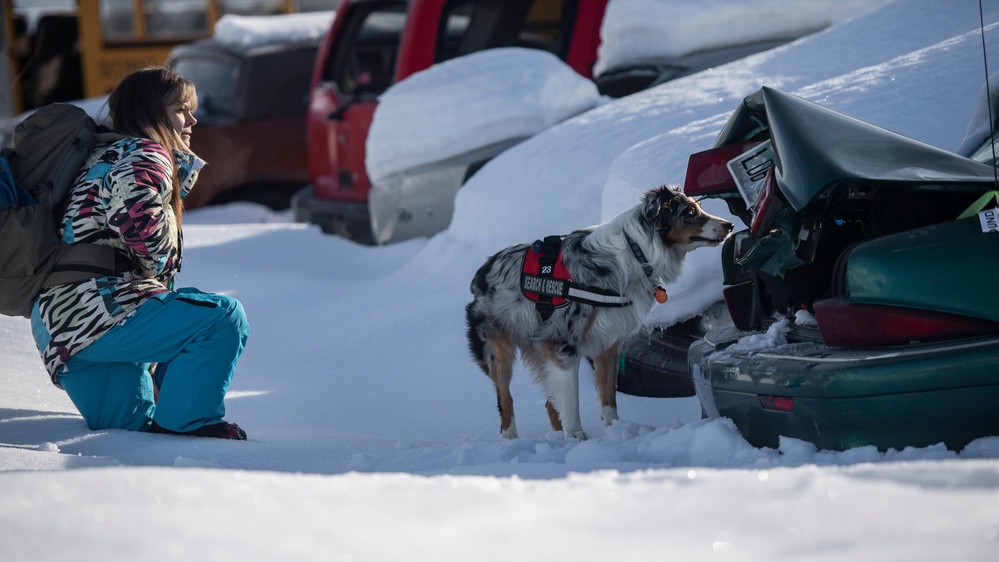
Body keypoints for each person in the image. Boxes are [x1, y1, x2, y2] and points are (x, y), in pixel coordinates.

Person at [30, 66, 250, 440]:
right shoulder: (143, 153)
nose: (192, 119)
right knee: (222, 318)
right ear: (152, 113)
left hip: (61, 330)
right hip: (100, 313)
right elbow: (147, 241)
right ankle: (194, 426)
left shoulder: (98, 156)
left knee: (133, 435)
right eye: (181, 109)